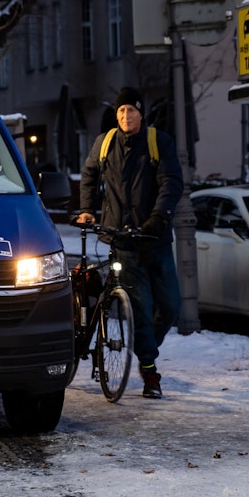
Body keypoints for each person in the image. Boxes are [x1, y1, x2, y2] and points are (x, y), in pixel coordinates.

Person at [75, 87, 183, 399]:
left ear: (141, 113)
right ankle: (150, 372)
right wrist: (86, 210)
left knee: (171, 306)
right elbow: (88, 175)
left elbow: (171, 181)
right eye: (121, 111)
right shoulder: (104, 142)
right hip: (121, 239)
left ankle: (144, 343)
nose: (125, 116)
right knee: (141, 309)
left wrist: (159, 216)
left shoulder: (158, 142)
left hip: (156, 237)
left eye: (131, 111)